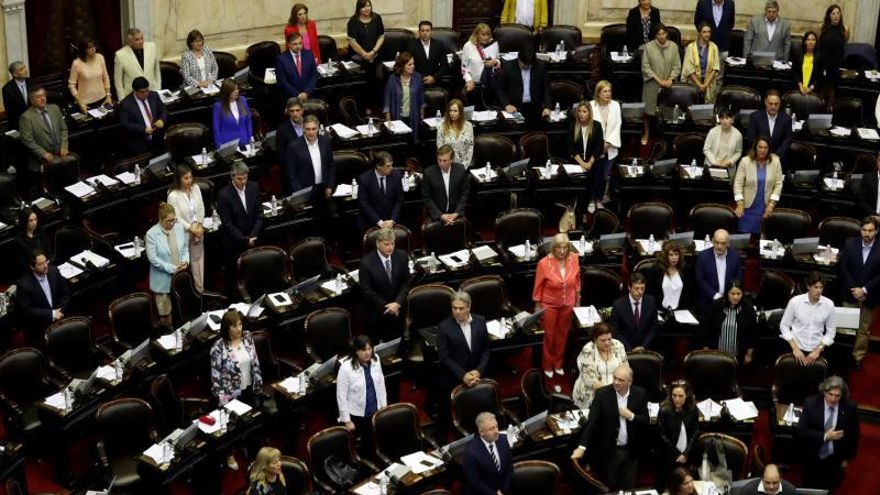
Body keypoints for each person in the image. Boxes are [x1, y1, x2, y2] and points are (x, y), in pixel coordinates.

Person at [571, 365, 649, 491]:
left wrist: (631, 416)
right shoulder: (602, 395)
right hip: (609, 452)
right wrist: (582, 447)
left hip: (631, 452)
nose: (616, 382)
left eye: (621, 380)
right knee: (607, 488)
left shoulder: (639, 394)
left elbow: (646, 421)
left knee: (628, 488)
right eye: (615, 378)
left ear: (630, 382)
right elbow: (591, 424)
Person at [210, 309, 263, 470]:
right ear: (226, 329)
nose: (238, 328)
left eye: (240, 324)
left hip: (249, 388)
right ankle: (229, 453)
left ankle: (253, 456)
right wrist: (223, 402)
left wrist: (258, 384)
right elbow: (216, 377)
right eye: (234, 326)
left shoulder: (247, 337)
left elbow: (255, 361)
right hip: (230, 395)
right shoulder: (218, 348)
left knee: (253, 423)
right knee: (231, 427)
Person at [437, 291, 490, 438]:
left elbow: (486, 350)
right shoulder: (444, 327)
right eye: (454, 308)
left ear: (469, 307)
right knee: (450, 419)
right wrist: (462, 375)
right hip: (453, 379)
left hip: (476, 377)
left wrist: (478, 371)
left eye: (461, 308)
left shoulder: (480, 321)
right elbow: (444, 357)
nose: (457, 312)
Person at [797, 376, 860, 490]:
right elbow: (801, 431)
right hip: (812, 455)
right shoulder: (811, 403)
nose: (833, 399)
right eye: (830, 394)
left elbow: (853, 435)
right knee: (809, 485)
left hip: (835, 457)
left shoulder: (850, 407)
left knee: (830, 486)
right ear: (824, 391)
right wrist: (825, 436)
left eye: (837, 396)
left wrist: (847, 459)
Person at [532, 233, 581, 377]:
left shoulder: (574, 258)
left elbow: (577, 280)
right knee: (549, 335)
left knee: (562, 334)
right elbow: (538, 287)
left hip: (568, 303)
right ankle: (547, 364)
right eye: (559, 247)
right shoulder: (543, 263)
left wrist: (577, 299)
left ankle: (558, 363)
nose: (562, 251)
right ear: (554, 248)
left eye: (565, 247)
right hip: (549, 305)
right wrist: (537, 307)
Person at [838, 216, 880, 371]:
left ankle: (857, 357)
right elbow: (843, 268)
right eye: (864, 230)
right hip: (850, 293)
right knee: (844, 328)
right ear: (860, 230)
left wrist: (865, 290)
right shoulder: (850, 243)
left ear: (876, 231)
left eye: (870, 230)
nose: (867, 234)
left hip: (871, 295)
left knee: (863, 330)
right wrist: (855, 290)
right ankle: (843, 354)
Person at [358, 228, 411, 342]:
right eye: (386, 244)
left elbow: (406, 282)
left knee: (398, 344)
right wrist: (387, 307)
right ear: (377, 243)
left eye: (392, 243)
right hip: (377, 312)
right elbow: (367, 291)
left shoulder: (401, 256)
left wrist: (397, 303)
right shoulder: (366, 263)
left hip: (398, 310)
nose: (390, 247)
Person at [217, 162, 263, 293]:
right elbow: (228, 224)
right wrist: (244, 240)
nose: (243, 182)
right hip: (234, 244)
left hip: (253, 239)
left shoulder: (254, 187)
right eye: (239, 179)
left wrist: (253, 236)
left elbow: (259, 214)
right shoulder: (224, 195)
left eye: (245, 178)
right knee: (234, 279)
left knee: (255, 275)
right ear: (232, 177)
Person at [336, 335, 387, 450]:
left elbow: (381, 383)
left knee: (378, 440)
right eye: (363, 350)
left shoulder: (376, 359)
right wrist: (347, 420)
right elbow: (341, 396)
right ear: (356, 351)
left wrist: (384, 406)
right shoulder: (345, 368)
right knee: (366, 445)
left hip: (375, 408)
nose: (368, 353)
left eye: (370, 349)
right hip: (358, 413)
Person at [146, 202, 190, 327]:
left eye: (173, 220)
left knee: (182, 310)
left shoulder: (179, 227)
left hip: (179, 276)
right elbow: (153, 258)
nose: (171, 223)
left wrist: (185, 261)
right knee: (166, 318)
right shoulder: (151, 234)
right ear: (160, 219)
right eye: (168, 221)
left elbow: (185, 248)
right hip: (162, 280)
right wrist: (172, 268)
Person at [16, 249, 70, 345]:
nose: (45, 266)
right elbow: (28, 310)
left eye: (46, 261)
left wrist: (60, 310)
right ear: (32, 267)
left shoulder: (54, 271)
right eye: (40, 264)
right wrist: (51, 314)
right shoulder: (24, 285)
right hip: (39, 327)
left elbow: (65, 293)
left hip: (60, 318)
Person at [780, 272, 836, 366]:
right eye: (815, 287)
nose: (819, 291)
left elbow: (831, 332)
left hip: (817, 349)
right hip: (796, 347)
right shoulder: (795, 302)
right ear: (808, 287)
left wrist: (818, 350)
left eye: (821, 287)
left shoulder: (829, 305)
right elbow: (784, 325)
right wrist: (795, 348)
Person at [167, 164, 206, 293]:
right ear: (178, 179)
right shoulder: (173, 196)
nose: (189, 181)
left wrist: (199, 226)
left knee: (198, 262)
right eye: (186, 178)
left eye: (190, 177)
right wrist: (193, 229)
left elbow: (201, 208)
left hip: (198, 231)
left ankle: (200, 292)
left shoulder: (195, 188)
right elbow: (176, 217)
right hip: (182, 234)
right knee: (184, 265)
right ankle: (185, 294)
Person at [641, 23, 681, 144]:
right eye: (659, 34)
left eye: (664, 33)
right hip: (652, 84)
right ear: (655, 35)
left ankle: (665, 137)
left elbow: (677, 66)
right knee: (648, 112)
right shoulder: (648, 47)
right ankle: (646, 133)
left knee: (667, 112)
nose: (662, 36)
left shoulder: (674, 47)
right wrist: (659, 80)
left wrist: (670, 79)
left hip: (669, 85)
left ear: (667, 34)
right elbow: (645, 67)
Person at [734, 135, 783, 234]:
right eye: (760, 147)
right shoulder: (745, 161)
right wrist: (740, 203)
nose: (762, 150)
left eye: (765, 148)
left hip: (765, 206)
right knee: (743, 236)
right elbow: (738, 184)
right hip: (747, 206)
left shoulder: (775, 161)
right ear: (755, 148)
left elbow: (778, 185)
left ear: (769, 149)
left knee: (762, 236)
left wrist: (771, 205)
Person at [493, 46, 551, 128]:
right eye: (523, 64)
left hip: (535, 107)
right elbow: (500, 89)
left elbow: (546, 87)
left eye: (529, 65)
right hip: (515, 107)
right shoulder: (507, 66)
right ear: (518, 59)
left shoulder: (541, 66)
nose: (526, 67)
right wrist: (506, 104)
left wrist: (547, 107)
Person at [572, 323, 627, 408]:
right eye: (603, 340)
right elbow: (591, 381)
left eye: (609, 339)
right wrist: (613, 394)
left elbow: (625, 370)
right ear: (595, 339)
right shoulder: (588, 350)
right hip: (592, 393)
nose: (607, 343)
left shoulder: (618, 345)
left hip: (617, 391)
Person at [18, 86, 69, 175]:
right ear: (32, 101)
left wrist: (64, 146)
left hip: (61, 154)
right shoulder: (26, 117)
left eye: (44, 95)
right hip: (41, 160)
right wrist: (43, 154)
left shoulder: (55, 108)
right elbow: (27, 140)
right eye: (38, 97)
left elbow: (63, 129)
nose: (42, 99)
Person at [704, 279, 756, 364]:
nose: (735, 297)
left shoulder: (748, 308)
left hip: (738, 357)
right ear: (727, 293)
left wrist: (749, 355)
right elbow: (707, 329)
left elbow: (753, 334)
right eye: (732, 293)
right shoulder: (716, 306)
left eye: (738, 294)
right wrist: (706, 352)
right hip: (715, 355)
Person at [284, 115, 335, 200]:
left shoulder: (325, 142)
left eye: (314, 129)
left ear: (318, 128)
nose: (311, 132)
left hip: (324, 189)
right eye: (308, 129)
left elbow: (331, 165)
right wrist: (300, 194)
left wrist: (330, 186)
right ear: (303, 129)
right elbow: (291, 174)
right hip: (305, 191)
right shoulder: (293, 147)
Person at [589, 80, 622, 210]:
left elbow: (617, 126)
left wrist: (607, 143)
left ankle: (599, 199)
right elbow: (588, 127)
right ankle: (592, 199)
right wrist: (599, 144)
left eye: (609, 91)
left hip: (610, 146)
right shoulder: (591, 106)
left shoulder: (615, 106)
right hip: (595, 148)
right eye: (605, 91)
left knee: (604, 175)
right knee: (594, 174)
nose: (608, 94)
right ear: (598, 93)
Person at [463, 412, 513, 495]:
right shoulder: (470, 452)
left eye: (496, 426)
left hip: (504, 490)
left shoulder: (504, 440)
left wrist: (503, 491)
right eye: (491, 429)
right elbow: (474, 481)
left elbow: (509, 468)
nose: (496, 431)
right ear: (481, 432)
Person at [568, 101, 605, 213]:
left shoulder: (597, 126)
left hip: (592, 164)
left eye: (584, 111)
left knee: (588, 189)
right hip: (576, 165)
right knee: (577, 191)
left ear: (589, 113)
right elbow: (570, 147)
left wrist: (589, 163)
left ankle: (583, 211)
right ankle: (576, 211)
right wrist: (582, 163)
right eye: (579, 111)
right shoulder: (573, 126)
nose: (581, 114)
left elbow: (599, 147)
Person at [658, 382, 699, 479]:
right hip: (669, 455)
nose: (677, 399)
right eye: (674, 395)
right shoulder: (664, 410)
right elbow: (662, 436)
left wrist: (685, 454)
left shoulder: (692, 408)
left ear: (687, 395)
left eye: (681, 396)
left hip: (688, 455)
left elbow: (695, 432)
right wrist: (678, 454)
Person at [118, 76, 168, 157]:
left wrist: (162, 120)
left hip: (157, 140)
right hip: (139, 143)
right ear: (135, 91)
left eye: (147, 91)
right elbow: (125, 124)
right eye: (142, 92)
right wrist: (142, 129)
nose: (145, 94)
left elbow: (163, 110)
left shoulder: (154, 95)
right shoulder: (126, 104)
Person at [695, 229, 744, 311]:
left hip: (729, 301)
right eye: (717, 242)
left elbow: (738, 279)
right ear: (712, 241)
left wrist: (731, 296)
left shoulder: (735, 256)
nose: (719, 246)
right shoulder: (703, 256)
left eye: (723, 243)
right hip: (708, 300)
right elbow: (700, 279)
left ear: (728, 243)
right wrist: (715, 295)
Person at [421, 145, 471, 224]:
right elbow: (427, 198)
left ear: (451, 160)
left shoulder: (460, 170)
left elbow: (464, 193)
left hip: (455, 212)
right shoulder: (428, 173)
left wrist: (456, 213)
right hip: (437, 214)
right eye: (439, 160)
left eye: (445, 161)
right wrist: (440, 215)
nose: (441, 163)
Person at [383, 52, 426, 142]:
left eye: (413, 64)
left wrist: (421, 116)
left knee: (413, 142)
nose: (413, 66)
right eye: (409, 64)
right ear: (402, 66)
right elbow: (387, 102)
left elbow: (422, 98)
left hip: (414, 117)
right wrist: (388, 120)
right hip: (398, 117)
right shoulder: (392, 79)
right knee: (400, 143)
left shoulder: (417, 77)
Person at [357, 151, 403, 231]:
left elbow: (399, 200)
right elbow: (364, 204)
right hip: (371, 222)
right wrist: (379, 222)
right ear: (378, 166)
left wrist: (392, 220)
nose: (391, 168)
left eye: (392, 165)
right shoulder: (364, 179)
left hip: (392, 221)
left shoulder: (396, 175)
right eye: (388, 166)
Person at [611, 272, 658, 351]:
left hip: (646, 348)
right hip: (625, 349)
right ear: (629, 287)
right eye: (636, 288)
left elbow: (653, 327)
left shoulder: (651, 301)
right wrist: (630, 349)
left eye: (642, 288)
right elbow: (616, 331)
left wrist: (644, 346)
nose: (640, 292)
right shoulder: (618, 305)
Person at [746, 90, 792, 167]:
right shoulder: (755, 117)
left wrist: (776, 156)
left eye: (776, 104)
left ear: (780, 103)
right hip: (758, 159)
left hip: (778, 160)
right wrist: (762, 154)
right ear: (765, 102)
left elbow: (787, 140)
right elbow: (751, 139)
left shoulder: (786, 119)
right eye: (770, 104)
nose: (773, 107)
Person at [114, 27, 161, 99]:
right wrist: (121, 99)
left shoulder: (152, 47)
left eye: (142, 38)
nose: (141, 41)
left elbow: (157, 69)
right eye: (137, 40)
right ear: (130, 42)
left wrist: (158, 87)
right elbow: (118, 81)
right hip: (132, 95)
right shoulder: (120, 55)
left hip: (151, 90)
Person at [67, 37, 112, 114]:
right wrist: (80, 102)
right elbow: (71, 85)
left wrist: (108, 95)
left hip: (103, 99)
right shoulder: (77, 63)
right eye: (90, 47)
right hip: (86, 103)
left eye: (94, 46)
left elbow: (106, 77)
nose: (93, 49)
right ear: (84, 49)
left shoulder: (100, 57)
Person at [647, 241, 695, 311]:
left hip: (680, 310)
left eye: (676, 254)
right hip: (660, 309)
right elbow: (650, 293)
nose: (674, 258)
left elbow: (689, 293)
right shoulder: (656, 269)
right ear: (665, 256)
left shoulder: (685, 269)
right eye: (671, 255)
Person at [681, 23, 720, 103]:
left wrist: (705, 85)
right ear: (699, 33)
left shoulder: (714, 47)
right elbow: (689, 69)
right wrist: (700, 85)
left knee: (706, 110)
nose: (707, 34)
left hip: (708, 84)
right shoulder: (691, 47)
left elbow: (715, 68)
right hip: (694, 83)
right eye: (704, 32)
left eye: (709, 32)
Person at [817, 5, 848, 105]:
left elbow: (844, 44)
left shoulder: (845, 29)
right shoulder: (821, 28)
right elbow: (818, 44)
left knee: (832, 89)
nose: (836, 16)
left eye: (838, 13)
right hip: (823, 63)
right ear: (829, 16)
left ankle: (829, 110)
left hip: (836, 64)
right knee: (822, 88)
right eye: (833, 13)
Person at [276, 32, 318, 102]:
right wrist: (297, 95)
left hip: (309, 95)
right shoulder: (281, 59)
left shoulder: (309, 54)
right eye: (295, 44)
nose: (298, 46)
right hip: (291, 97)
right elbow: (282, 81)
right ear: (289, 44)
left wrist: (306, 92)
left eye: (300, 43)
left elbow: (314, 75)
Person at [703, 108, 743, 181]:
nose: (724, 121)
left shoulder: (738, 135)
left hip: (728, 167)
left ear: (732, 119)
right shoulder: (713, 132)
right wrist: (714, 162)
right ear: (719, 120)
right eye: (722, 118)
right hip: (712, 165)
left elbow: (738, 152)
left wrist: (730, 161)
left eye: (727, 118)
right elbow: (706, 149)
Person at [212, 79, 253, 149]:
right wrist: (219, 147)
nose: (237, 91)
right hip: (228, 144)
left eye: (237, 88)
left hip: (245, 142)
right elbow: (216, 129)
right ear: (226, 91)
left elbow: (248, 121)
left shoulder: (242, 100)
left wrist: (250, 139)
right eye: (233, 90)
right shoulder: (218, 106)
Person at [407, 21, 449, 87]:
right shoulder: (411, 45)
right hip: (417, 81)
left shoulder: (439, 45)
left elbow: (445, 65)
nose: (425, 33)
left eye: (427, 30)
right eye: (422, 31)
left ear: (431, 32)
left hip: (436, 80)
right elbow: (408, 66)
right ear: (419, 32)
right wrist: (422, 78)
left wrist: (434, 77)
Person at [461, 23, 499, 93]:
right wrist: (469, 80)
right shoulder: (468, 46)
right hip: (476, 83)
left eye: (488, 35)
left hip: (492, 81)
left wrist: (496, 63)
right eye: (483, 35)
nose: (486, 37)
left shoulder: (492, 44)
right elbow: (464, 68)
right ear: (477, 35)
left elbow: (498, 61)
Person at [346, 0, 385, 70]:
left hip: (374, 55)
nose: (366, 9)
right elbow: (352, 41)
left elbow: (381, 37)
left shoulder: (377, 18)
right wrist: (365, 55)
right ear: (358, 8)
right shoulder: (353, 21)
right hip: (357, 57)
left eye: (368, 6)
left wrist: (373, 52)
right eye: (363, 7)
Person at [437, 98, 475, 168]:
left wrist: (463, 167)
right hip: (447, 166)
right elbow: (440, 148)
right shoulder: (442, 127)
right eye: (450, 111)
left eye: (455, 111)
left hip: (463, 166)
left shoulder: (469, 126)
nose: (452, 113)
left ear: (460, 112)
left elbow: (470, 147)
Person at [12, 207, 48, 280]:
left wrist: (46, 264)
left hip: (47, 268)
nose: (34, 223)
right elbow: (23, 264)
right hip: (32, 274)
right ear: (25, 222)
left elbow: (49, 251)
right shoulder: (18, 241)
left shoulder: (41, 232)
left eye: (35, 219)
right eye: (31, 220)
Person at [2, 61, 32, 129]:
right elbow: (10, 111)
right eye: (22, 69)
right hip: (19, 124)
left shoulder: (31, 82)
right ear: (15, 74)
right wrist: (25, 121)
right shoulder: (7, 89)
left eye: (24, 68)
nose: (25, 70)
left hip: (34, 121)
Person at [276, 98, 304, 171]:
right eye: (292, 111)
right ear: (288, 112)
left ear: (302, 110)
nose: (295, 114)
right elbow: (281, 156)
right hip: (295, 168)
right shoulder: (281, 130)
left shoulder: (310, 124)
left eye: (297, 110)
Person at [792, 32, 822, 97]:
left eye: (813, 40)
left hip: (813, 91)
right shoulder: (798, 54)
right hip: (798, 89)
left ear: (816, 42)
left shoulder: (819, 57)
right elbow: (794, 72)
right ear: (805, 42)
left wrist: (810, 88)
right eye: (808, 39)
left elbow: (819, 76)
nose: (811, 42)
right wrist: (800, 86)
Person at [856, 153, 880, 219]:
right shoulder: (868, 177)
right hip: (871, 217)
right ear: (878, 162)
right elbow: (861, 199)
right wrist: (873, 214)